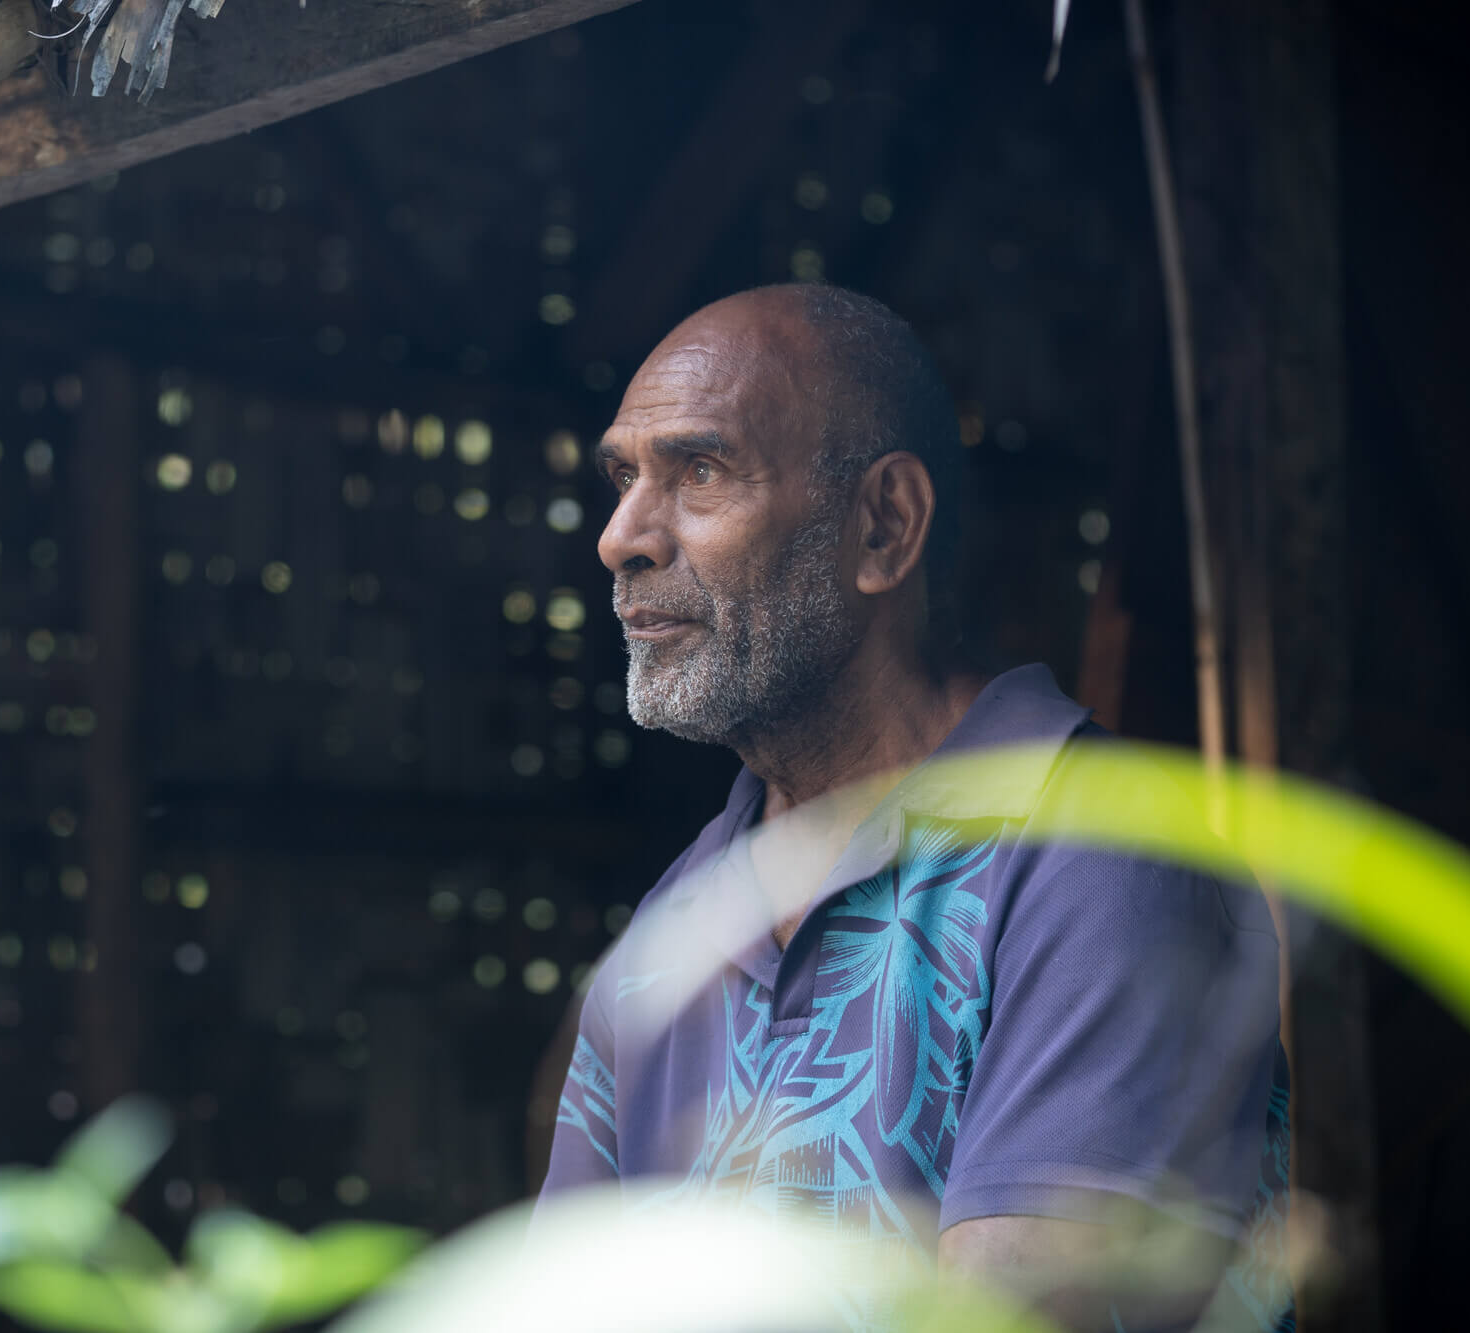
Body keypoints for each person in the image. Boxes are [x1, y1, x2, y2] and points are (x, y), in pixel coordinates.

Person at [534, 285, 1291, 1332]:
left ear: (884, 524)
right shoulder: (672, 936)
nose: (623, 536)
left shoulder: (1094, 857)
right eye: (624, 477)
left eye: (698, 470)